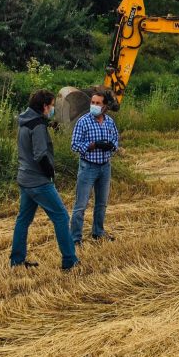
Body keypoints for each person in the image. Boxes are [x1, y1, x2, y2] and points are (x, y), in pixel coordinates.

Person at [10, 89, 79, 270]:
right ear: (44, 106)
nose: (52, 109)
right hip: (38, 181)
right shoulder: (38, 125)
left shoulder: (25, 121)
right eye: (51, 106)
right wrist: (50, 173)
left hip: (24, 177)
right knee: (62, 217)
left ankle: (16, 261)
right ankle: (70, 261)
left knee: (23, 220)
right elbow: (40, 155)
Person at [70, 90, 119, 245]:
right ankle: (75, 238)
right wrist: (93, 145)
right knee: (81, 205)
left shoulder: (110, 122)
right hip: (88, 167)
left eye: (98, 103)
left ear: (105, 106)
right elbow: (74, 145)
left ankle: (98, 232)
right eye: (93, 102)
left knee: (101, 203)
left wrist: (111, 146)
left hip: (105, 166)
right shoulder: (83, 122)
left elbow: (116, 140)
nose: (94, 105)